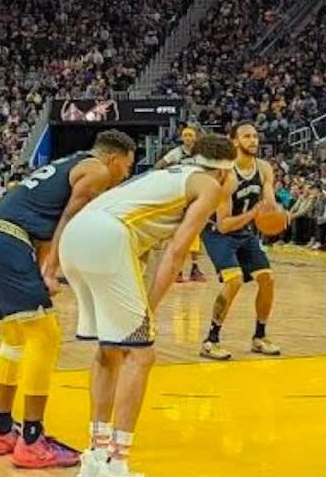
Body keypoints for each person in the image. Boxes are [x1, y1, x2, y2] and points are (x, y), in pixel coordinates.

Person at [58, 132, 234, 477]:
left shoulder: (165, 174)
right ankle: (118, 463)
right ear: (224, 173)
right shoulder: (210, 186)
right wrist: (149, 307)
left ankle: (95, 455)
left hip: (76, 236)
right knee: (141, 353)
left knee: (110, 348)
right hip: (108, 235)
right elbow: (176, 252)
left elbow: (143, 241)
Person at [0, 130, 137, 469]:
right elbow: (68, 220)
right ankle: (32, 440)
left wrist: (45, 270)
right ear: (114, 158)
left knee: (15, 339)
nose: (126, 174)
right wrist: (52, 270)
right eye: (127, 166)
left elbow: (46, 229)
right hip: (9, 243)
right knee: (45, 336)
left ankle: (1, 431)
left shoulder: (68, 164)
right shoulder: (97, 171)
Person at [199, 122, 282, 360]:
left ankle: (260, 337)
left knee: (267, 279)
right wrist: (254, 213)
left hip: (244, 230)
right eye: (247, 136)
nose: (253, 140)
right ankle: (210, 341)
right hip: (217, 232)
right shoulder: (226, 174)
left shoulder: (264, 168)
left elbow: (268, 202)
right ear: (234, 141)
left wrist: (275, 214)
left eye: (255, 136)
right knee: (233, 280)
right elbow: (223, 224)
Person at [156, 125, 207, 282]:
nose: (188, 138)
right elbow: (158, 166)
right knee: (179, 231)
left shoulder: (201, 154)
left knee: (195, 231)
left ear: (195, 137)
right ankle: (177, 270)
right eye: (185, 135)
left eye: (190, 135)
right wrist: (169, 174)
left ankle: (194, 268)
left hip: (196, 194)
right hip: (180, 194)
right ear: (182, 138)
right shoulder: (176, 153)